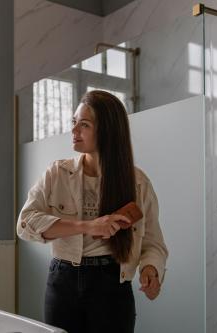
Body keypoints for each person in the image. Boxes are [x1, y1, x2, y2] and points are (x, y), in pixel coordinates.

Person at [16, 90, 168, 333]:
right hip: (62, 281)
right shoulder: (56, 174)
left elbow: (153, 243)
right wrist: (88, 226)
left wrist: (151, 269)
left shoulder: (137, 183)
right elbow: (25, 223)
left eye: (83, 124)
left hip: (112, 283)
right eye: (74, 122)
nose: (74, 131)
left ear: (107, 130)